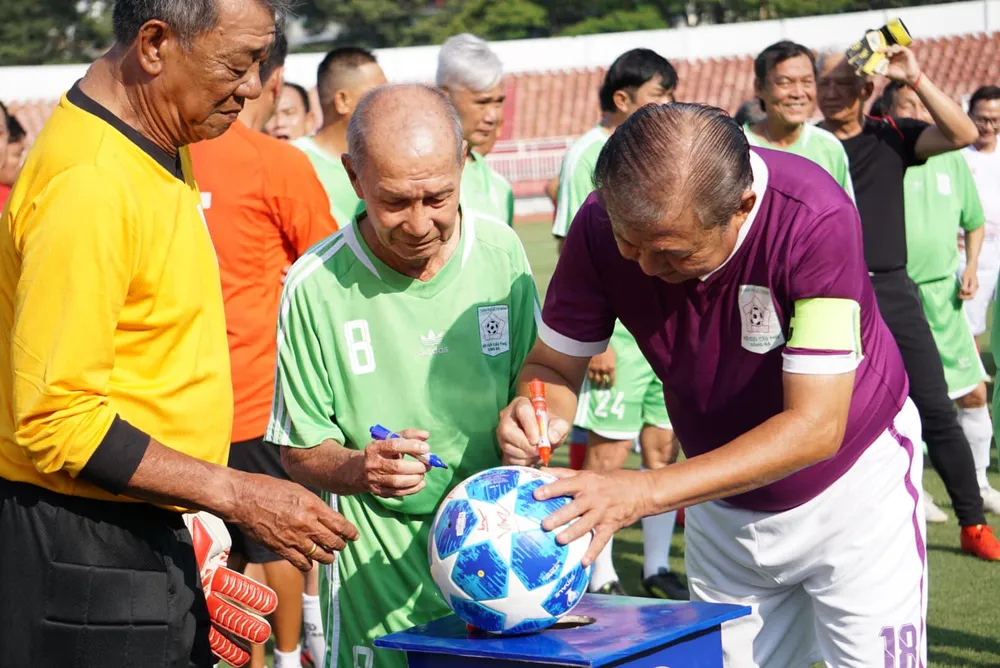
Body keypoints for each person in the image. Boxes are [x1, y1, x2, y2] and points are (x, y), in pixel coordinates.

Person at [497, 103, 926, 668]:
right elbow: (552, 367)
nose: (646, 267)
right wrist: (538, 413)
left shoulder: (813, 217)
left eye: (672, 252)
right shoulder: (600, 224)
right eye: (631, 244)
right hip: (715, 497)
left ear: (742, 205)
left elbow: (816, 427)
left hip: (852, 490)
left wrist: (643, 492)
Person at [0, 1, 360, 666]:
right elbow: (56, 418)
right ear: (156, 44)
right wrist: (237, 494)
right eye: (237, 64)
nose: (253, 86)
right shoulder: (90, 183)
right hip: (88, 547)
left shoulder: (160, 134)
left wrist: (196, 525)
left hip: (145, 521)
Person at [270, 84, 540, 668]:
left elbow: (534, 381)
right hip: (378, 574)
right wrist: (360, 469)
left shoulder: (502, 252)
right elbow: (300, 450)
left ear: (463, 161)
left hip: (506, 556)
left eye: (437, 197)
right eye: (395, 202)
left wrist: (530, 419)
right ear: (353, 175)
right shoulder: (312, 285)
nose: (419, 223)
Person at [188, 28, 339, 668]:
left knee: (221, 550)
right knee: (273, 544)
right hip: (254, 397)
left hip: (176, 407)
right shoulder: (276, 163)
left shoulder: (167, 156)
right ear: (270, 83)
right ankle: (287, 656)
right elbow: (331, 270)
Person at [817, 48, 1000, 559]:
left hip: (892, 289)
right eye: (822, 84)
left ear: (865, 88)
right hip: (821, 294)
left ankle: (971, 522)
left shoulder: (890, 135)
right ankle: (836, 528)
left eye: (841, 82)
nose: (830, 93)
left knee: (936, 408)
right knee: (829, 415)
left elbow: (964, 134)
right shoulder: (806, 143)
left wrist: (914, 76)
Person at [550, 48, 684, 600]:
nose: (668, 106)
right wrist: (596, 340)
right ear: (623, 98)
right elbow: (570, 244)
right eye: (659, 96)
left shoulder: (661, 152)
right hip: (618, 339)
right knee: (608, 449)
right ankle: (597, 571)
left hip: (665, 328)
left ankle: (655, 568)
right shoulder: (587, 153)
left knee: (662, 445)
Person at [882, 81, 1000, 518]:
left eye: (919, 103)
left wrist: (969, 266)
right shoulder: (885, 155)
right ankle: (913, 491)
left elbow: (974, 221)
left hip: (944, 296)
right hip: (895, 298)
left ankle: (979, 483)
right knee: (904, 405)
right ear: (889, 110)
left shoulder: (950, 157)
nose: (915, 109)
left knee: (972, 394)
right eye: (905, 104)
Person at [744, 40, 854, 197]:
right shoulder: (737, 149)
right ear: (759, 87)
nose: (798, 93)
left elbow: (845, 218)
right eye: (785, 82)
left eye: (807, 82)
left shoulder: (830, 148)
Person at [295, 46, 387, 227]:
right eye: (378, 93)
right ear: (342, 101)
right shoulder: (293, 160)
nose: (390, 102)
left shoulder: (392, 159)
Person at [437, 33, 515, 226]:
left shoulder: (501, 186)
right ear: (445, 96)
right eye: (482, 102)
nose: (492, 116)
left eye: (498, 102)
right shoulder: (421, 178)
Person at [961, 87, 1000, 337]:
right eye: (982, 119)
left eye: (995, 120)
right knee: (969, 326)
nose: (988, 126)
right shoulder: (956, 153)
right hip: (968, 252)